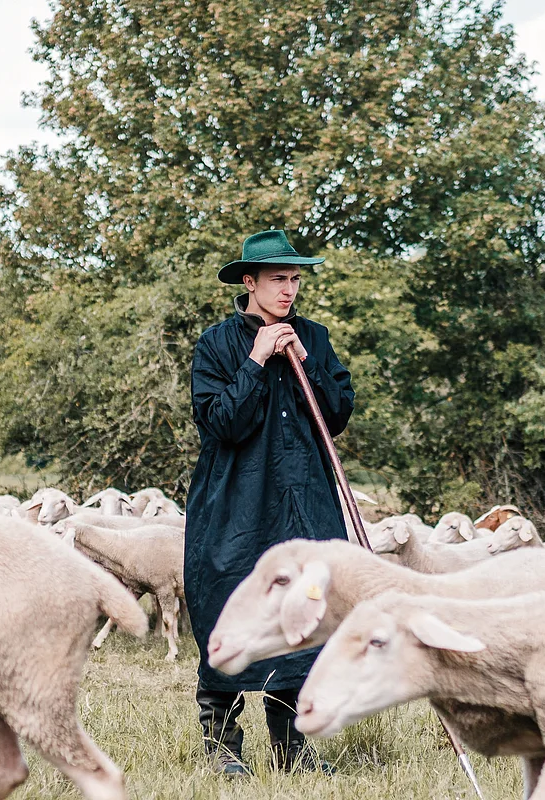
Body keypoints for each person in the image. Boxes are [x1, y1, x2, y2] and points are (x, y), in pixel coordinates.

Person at [183, 229, 355, 776]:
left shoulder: (315, 338)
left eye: (295, 279)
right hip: (234, 505)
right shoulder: (216, 344)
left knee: (302, 614)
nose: (289, 289)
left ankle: (292, 748)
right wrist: (256, 361)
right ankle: (223, 746)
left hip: (304, 502)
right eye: (278, 279)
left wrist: (306, 362)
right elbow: (221, 424)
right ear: (249, 282)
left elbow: (336, 416)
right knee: (228, 606)